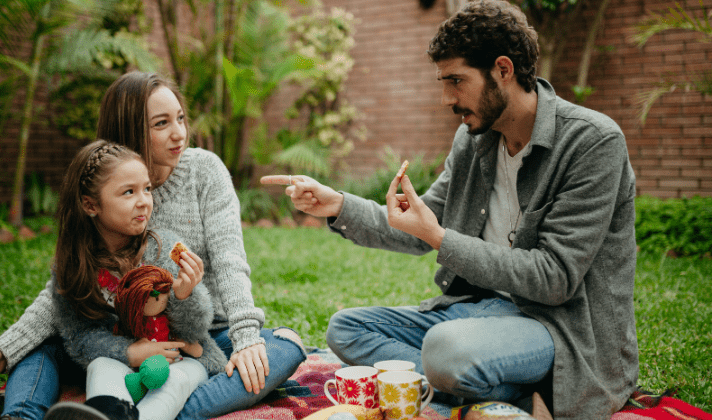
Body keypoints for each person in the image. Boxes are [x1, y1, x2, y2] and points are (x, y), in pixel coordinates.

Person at [261, 1, 638, 419]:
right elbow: (419, 222)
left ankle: (477, 388)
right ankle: (500, 397)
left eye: (456, 81)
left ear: (503, 70)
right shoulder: (474, 140)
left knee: (445, 349)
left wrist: (439, 238)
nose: (446, 99)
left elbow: (554, 279)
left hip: (558, 327)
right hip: (478, 313)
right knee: (347, 328)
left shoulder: (592, 143)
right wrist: (337, 205)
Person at [0, 72, 306, 420]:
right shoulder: (106, 189)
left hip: (201, 334)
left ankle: (151, 414)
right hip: (119, 335)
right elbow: (66, 290)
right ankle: (22, 415)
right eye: (161, 123)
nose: (179, 133)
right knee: (40, 346)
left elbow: (230, 261)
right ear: (130, 130)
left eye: (180, 118)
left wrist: (245, 339)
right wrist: (3, 350)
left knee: (285, 345)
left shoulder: (205, 171)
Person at [43, 140, 215, 420]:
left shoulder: (163, 249)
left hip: (177, 360)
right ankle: (111, 414)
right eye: (128, 192)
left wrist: (185, 294)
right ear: (90, 204)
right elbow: (79, 336)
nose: (143, 201)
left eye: (147, 189)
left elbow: (196, 331)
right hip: (122, 359)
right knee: (101, 366)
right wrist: (130, 352)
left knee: (177, 380)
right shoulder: (73, 266)